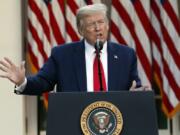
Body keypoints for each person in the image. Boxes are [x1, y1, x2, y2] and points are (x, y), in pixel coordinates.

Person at [0, 3, 148, 95]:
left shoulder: (126, 55)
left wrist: (138, 93)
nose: (98, 28)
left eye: (101, 22)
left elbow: (134, 87)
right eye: (91, 24)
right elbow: (42, 82)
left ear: (108, 25)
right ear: (80, 30)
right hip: (75, 124)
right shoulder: (62, 55)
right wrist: (22, 81)